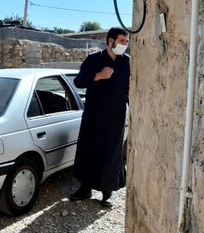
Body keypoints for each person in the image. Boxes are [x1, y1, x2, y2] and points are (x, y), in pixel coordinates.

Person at [69, 27, 130, 207]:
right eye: (122, 41)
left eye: (126, 42)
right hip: (93, 116)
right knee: (88, 149)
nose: (125, 45)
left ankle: (107, 193)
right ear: (111, 41)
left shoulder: (126, 62)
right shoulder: (94, 59)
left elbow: (130, 89)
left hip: (115, 117)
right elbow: (78, 81)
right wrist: (98, 76)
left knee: (111, 153)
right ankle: (85, 189)